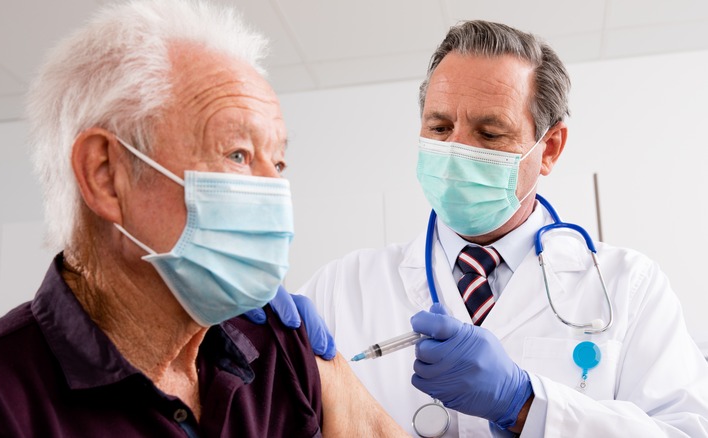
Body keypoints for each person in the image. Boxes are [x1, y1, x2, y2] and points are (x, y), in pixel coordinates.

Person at [0, 0, 406, 436]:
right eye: (238, 155)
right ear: (106, 175)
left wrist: (333, 368)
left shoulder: (276, 350)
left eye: (277, 163)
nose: (274, 190)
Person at [298, 20, 708, 437]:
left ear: (549, 149)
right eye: (439, 128)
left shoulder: (627, 286)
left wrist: (524, 403)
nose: (455, 152)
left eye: (489, 133)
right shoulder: (340, 287)